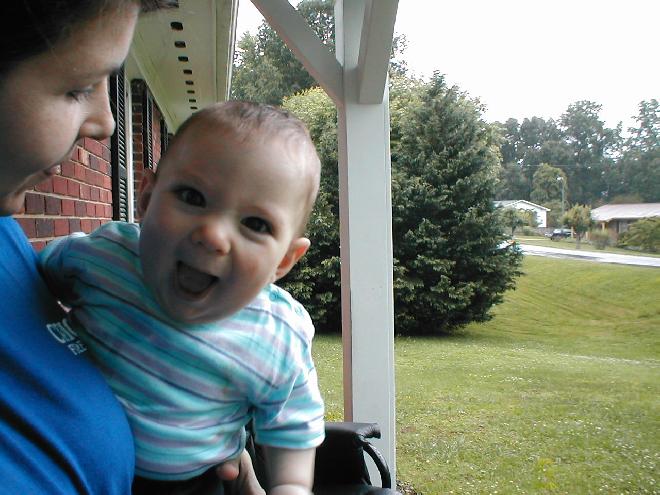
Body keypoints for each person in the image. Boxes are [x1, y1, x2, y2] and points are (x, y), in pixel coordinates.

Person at [0, 1, 263, 493]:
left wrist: (199, 436)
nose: (107, 122)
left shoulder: (6, 231)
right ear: (145, 196)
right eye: (79, 87)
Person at [38, 101, 325, 495]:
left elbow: (292, 423)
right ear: (146, 198)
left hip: (195, 484)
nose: (213, 235)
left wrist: (290, 485)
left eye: (256, 224)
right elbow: (32, 283)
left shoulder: (276, 335)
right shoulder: (104, 258)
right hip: (74, 468)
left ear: (285, 260)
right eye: (192, 197)